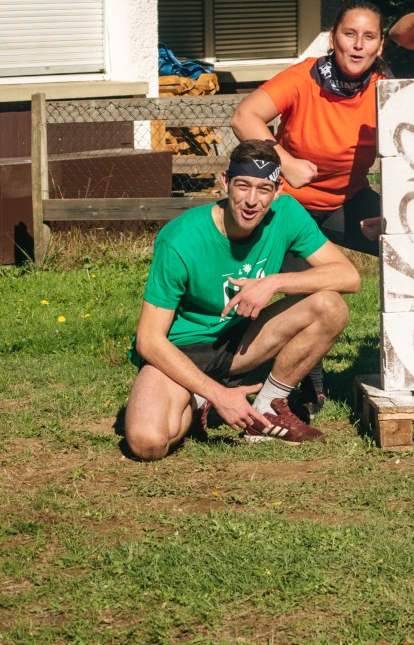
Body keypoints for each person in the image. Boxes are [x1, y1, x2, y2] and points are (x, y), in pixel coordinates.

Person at [122, 140, 360, 457]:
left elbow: (349, 277)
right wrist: (217, 394)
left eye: (264, 189)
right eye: (242, 186)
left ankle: (268, 409)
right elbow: (149, 341)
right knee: (148, 442)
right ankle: (199, 397)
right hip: (181, 350)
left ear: (277, 191)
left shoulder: (286, 214)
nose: (251, 200)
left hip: (241, 340)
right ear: (225, 183)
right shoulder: (180, 238)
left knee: (330, 305)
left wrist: (274, 282)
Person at [228, 0, 386, 413]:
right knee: (302, 294)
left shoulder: (386, 88)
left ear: (380, 46)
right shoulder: (303, 78)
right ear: (333, 39)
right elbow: (244, 116)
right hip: (291, 207)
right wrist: (285, 161)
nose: (357, 45)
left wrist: (391, 212)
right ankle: (298, 386)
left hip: (348, 202)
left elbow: (413, 148)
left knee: (413, 243)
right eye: (349, 34)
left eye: (368, 37)